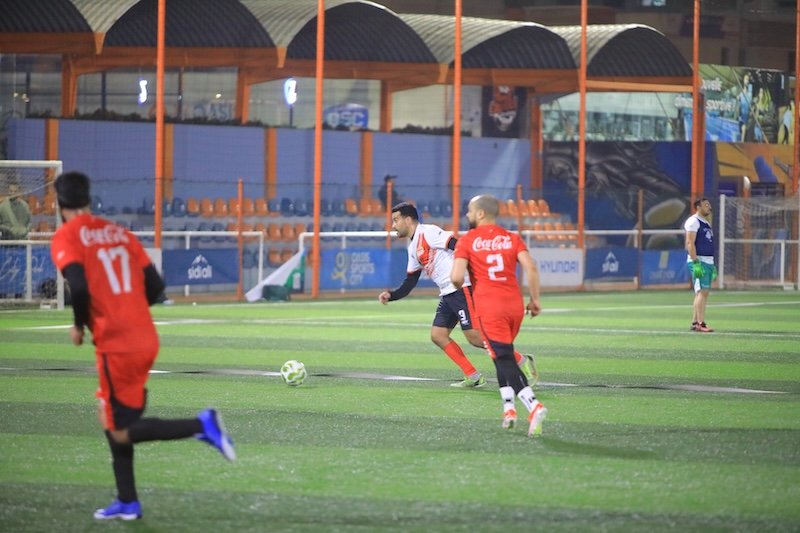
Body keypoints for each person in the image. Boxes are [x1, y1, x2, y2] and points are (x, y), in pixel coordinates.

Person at [50, 171, 235, 521]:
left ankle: (202, 425)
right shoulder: (120, 234)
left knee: (120, 430)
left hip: (116, 344)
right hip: (144, 337)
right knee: (108, 414)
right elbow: (155, 286)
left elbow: (79, 286)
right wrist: (129, 309)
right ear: (89, 199)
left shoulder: (66, 236)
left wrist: (79, 325)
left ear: (60, 205)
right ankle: (128, 501)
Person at [379, 202, 536, 388]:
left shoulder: (428, 232)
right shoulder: (412, 247)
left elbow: (457, 245)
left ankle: (522, 361)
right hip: (447, 294)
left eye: (396, 220)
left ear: (408, 220)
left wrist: (470, 270)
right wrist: (392, 295)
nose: (393, 225)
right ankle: (473, 375)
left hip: (461, 288)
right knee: (438, 335)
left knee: (475, 337)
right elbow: (411, 281)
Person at [451, 195, 547, 437]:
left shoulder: (468, 240)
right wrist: (535, 300)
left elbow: (456, 277)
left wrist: (462, 281)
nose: (467, 214)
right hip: (514, 307)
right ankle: (509, 410)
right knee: (499, 354)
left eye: (470, 210)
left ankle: (533, 406)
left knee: (503, 358)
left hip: (489, 307)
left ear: (480, 213)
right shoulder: (511, 238)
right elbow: (531, 267)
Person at [684, 197, 715, 333]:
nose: (709, 207)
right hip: (699, 261)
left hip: (707, 261)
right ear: (698, 207)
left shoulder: (706, 223)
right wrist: (695, 261)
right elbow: (690, 242)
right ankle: (700, 324)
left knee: (701, 292)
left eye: (709, 204)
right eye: (706, 205)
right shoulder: (693, 221)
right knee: (702, 291)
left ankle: (695, 322)